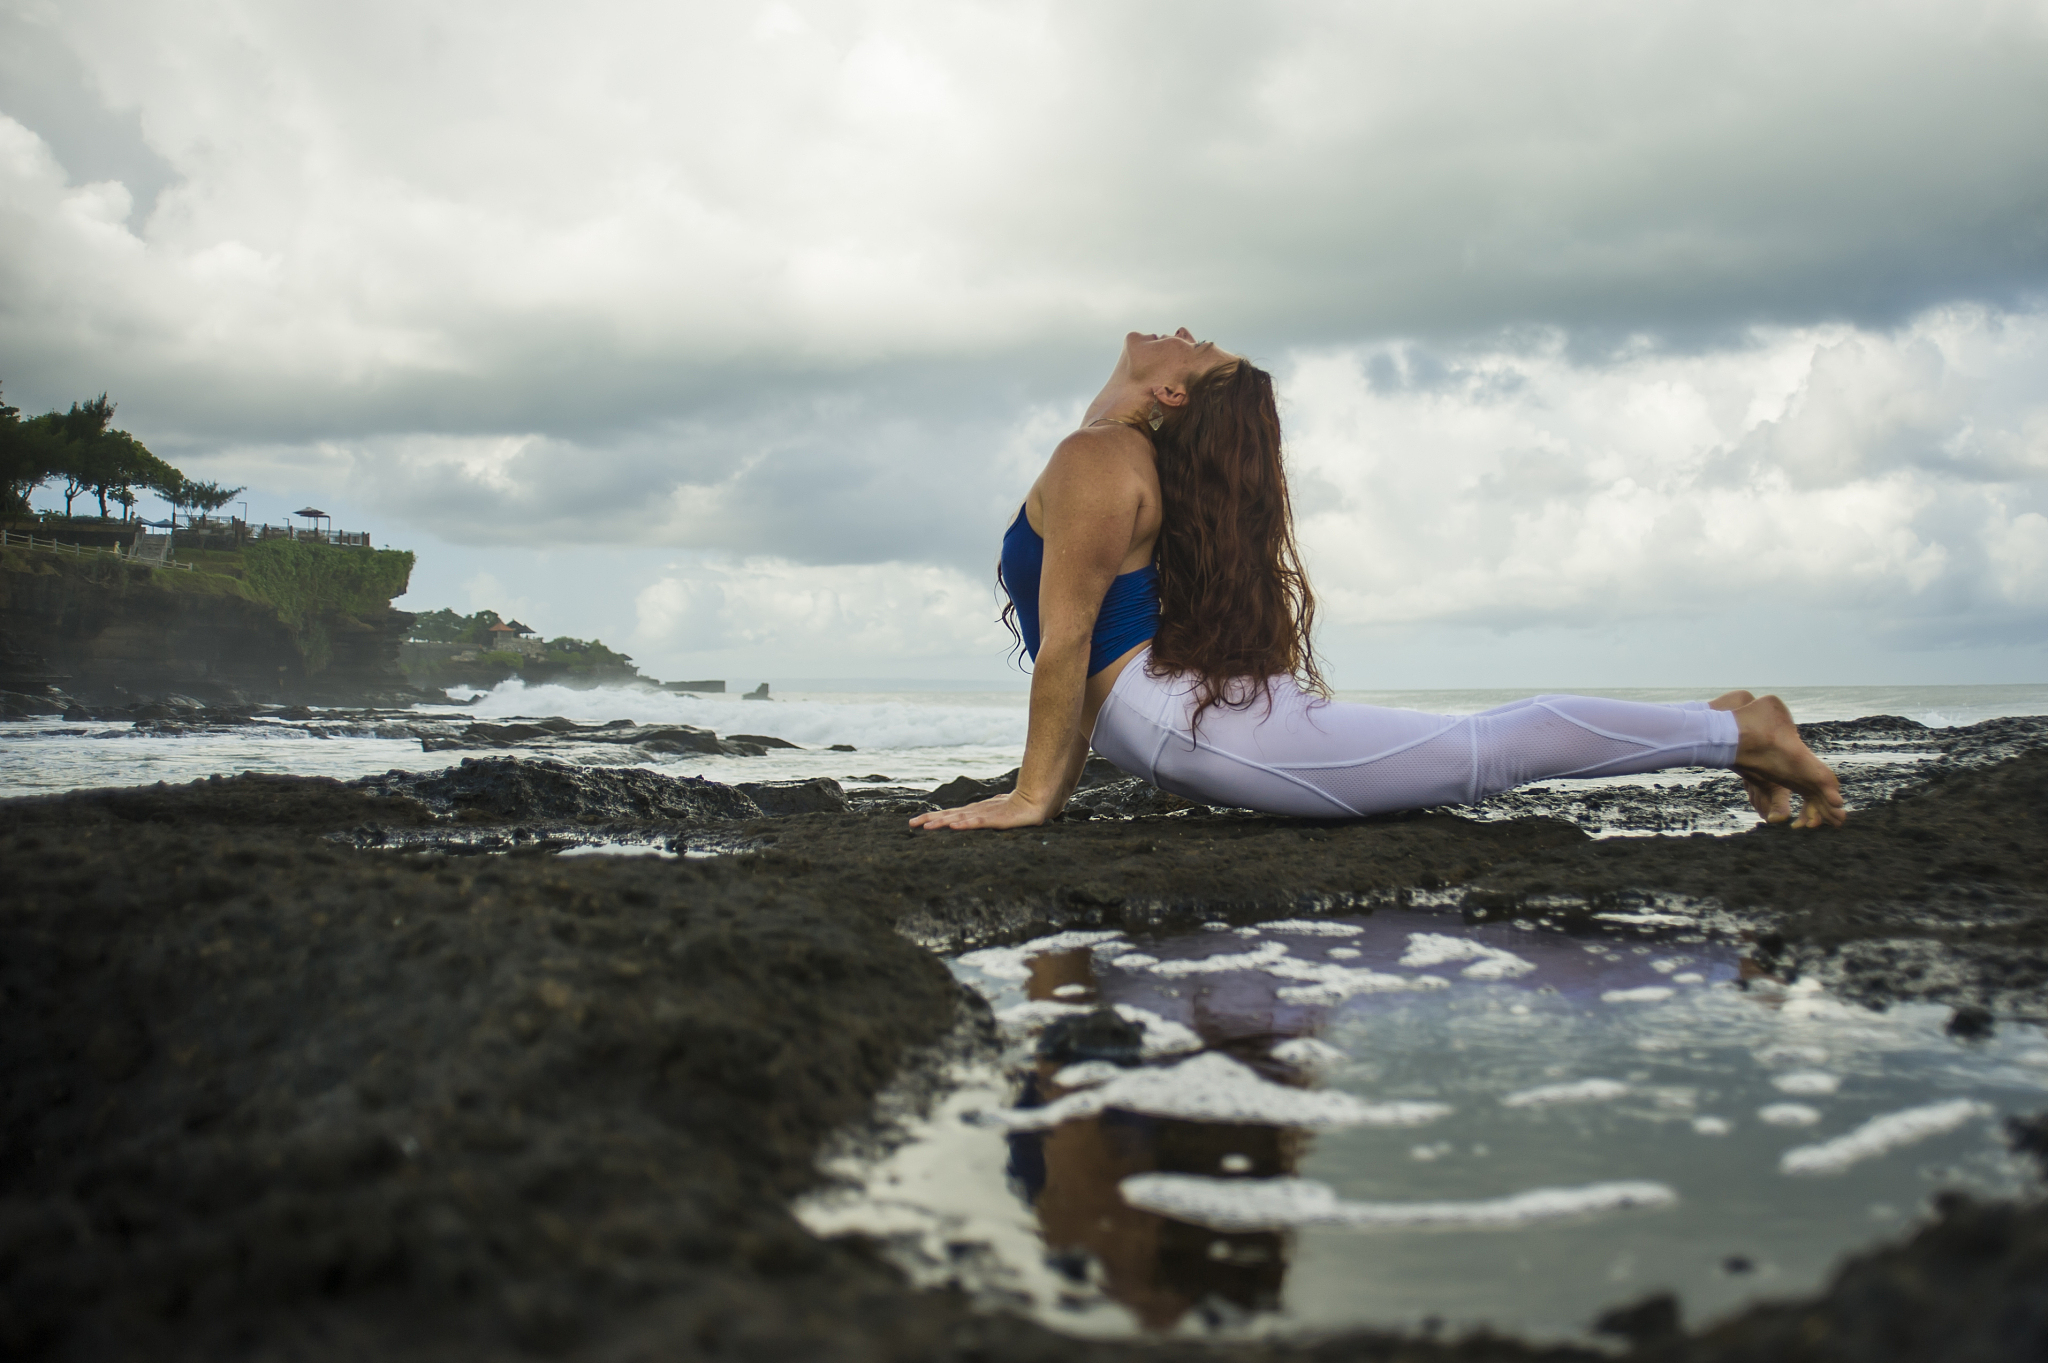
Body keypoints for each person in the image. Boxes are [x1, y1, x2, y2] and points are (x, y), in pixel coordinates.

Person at [909, 330, 1845, 833]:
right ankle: (1722, 724)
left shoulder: (1096, 456)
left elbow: (1070, 642)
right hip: (1183, 723)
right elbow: (1074, 651)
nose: (1182, 333)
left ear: (1171, 396)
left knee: (1489, 753)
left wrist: (1033, 801)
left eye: (1194, 351)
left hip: (1209, 733)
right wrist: (1044, 796)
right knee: (1480, 750)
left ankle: (1737, 732)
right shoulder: (1105, 458)